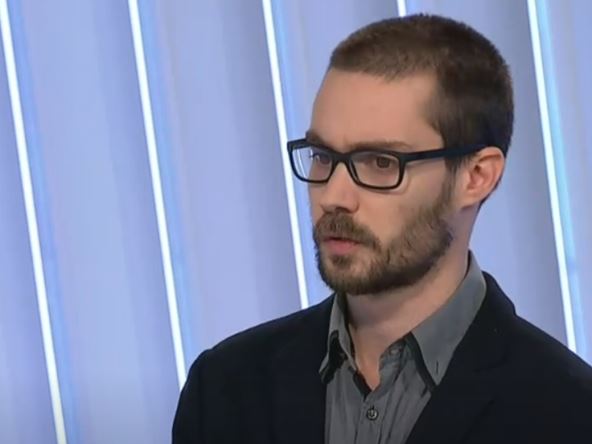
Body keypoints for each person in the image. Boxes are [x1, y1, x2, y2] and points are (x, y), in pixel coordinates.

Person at [172, 14, 592, 444]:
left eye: (380, 162)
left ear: (476, 176)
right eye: (322, 155)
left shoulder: (570, 414)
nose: (334, 196)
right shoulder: (224, 389)